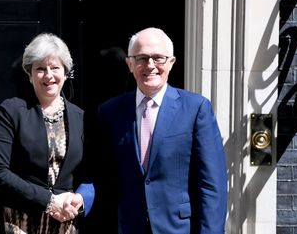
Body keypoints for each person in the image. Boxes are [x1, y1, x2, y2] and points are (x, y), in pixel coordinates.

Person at [95, 27, 227, 234]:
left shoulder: (195, 108)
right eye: (141, 58)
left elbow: (212, 186)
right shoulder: (110, 112)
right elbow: (104, 179)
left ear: (171, 63)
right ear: (130, 64)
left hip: (179, 228)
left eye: (158, 58)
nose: (150, 66)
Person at [0, 33, 94, 234]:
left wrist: (79, 199)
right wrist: (49, 201)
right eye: (40, 69)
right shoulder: (11, 111)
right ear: (29, 74)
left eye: (55, 68)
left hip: (64, 223)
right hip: (18, 222)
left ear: (65, 72)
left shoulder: (80, 117)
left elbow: (90, 173)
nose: (49, 75)